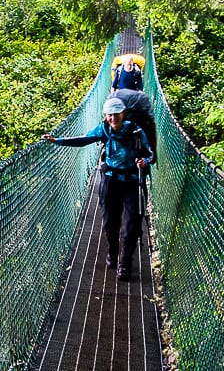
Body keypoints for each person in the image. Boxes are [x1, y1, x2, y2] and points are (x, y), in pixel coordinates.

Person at [43, 97, 154, 280]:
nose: (112, 118)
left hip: (132, 181)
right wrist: (59, 141)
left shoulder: (136, 131)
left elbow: (150, 153)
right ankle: (112, 252)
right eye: (109, 115)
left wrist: (144, 161)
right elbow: (84, 139)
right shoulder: (103, 129)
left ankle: (124, 266)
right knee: (110, 223)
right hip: (111, 180)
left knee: (131, 226)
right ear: (105, 116)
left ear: (123, 114)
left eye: (116, 114)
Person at [110, 87, 157, 156]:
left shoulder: (142, 107)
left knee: (145, 130)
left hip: (138, 107)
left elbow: (150, 126)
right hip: (131, 105)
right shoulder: (113, 103)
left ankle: (147, 154)